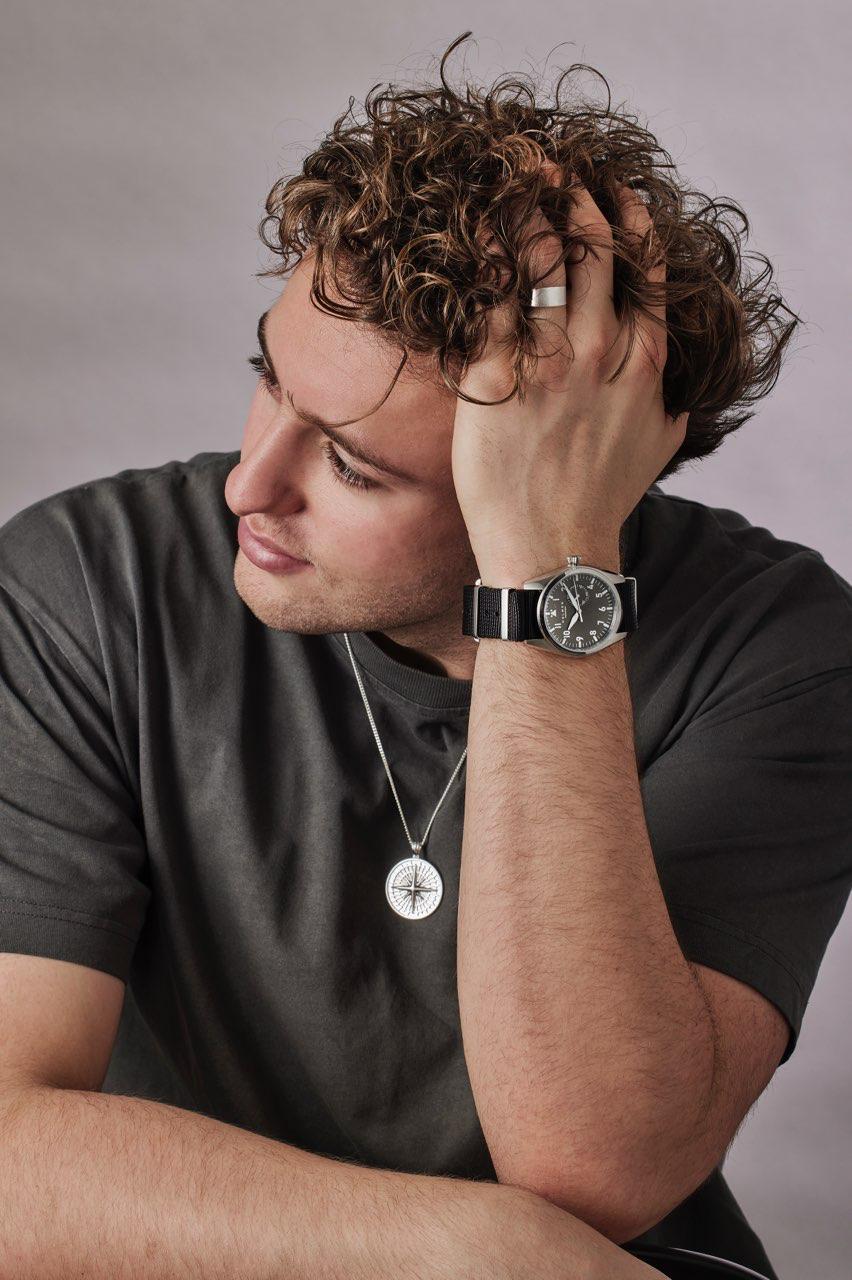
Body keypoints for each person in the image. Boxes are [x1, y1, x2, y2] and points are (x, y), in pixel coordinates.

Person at [1, 31, 850, 1280]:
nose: (250, 483)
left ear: (569, 462)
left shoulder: (778, 647)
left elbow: (594, 1165)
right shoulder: (85, 585)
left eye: (351, 463)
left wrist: (548, 567)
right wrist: (471, 1247)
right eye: (266, 379)